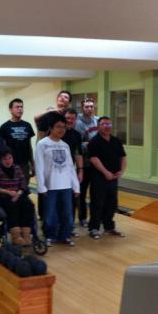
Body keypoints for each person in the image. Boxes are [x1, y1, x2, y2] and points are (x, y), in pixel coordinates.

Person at [35, 114, 80, 247]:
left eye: (63, 127)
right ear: (50, 128)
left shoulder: (65, 145)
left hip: (66, 186)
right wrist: (41, 186)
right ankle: (50, 236)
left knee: (67, 213)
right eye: (58, 127)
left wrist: (76, 186)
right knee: (50, 214)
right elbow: (39, 166)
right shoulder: (42, 144)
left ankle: (65, 236)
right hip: (50, 186)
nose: (61, 130)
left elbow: (70, 167)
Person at [87, 116, 127, 239]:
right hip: (99, 177)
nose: (107, 126)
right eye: (104, 124)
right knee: (97, 203)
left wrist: (121, 171)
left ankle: (109, 227)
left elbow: (123, 157)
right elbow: (94, 158)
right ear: (98, 126)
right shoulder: (94, 141)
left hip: (113, 178)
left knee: (111, 203)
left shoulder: (116, 141)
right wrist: (105, 172)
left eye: (109, 124)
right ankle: (94, 228)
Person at [0, 146, 35, 246]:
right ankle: (16, 236)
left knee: (28, 205)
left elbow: (23, 184)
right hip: (3, 196)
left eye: (10, 158)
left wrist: (17, 194)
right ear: (0, 160)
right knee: (12, 207)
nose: (8, 161)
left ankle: (26, 235)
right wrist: (8, 192)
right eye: (5, 159)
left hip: (18, 194)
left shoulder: (17, 168)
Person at [75, 97, 100, 227]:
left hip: (97, 164)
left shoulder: (98, 120)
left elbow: (102, 141)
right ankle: (82, 217)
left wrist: (90, 144)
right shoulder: (78, 123)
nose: (89, 109)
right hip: (83, 164)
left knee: (96, 193)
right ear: (82, 108)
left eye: (91, 106)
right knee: (82, 193)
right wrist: (93, 145)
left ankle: (96, 218)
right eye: (87, 107)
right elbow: (79, 145)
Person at [0, 98, 35, 181]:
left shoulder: (27, 125)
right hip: (10, 164)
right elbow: (2, 149)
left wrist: (32, 163)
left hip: (25, 164)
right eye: (17, 107)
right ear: (11, 110)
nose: (20, 109)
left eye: (21, 107)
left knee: (24, 189)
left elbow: (29, 146)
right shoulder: (4, 127)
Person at [62, 108, 84, 237]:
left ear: (75, 120)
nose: (69, 121)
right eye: (67, 118)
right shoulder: (56, 133)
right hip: (57, 173)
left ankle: (69, 228)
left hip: (71, 172)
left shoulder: (77, 135)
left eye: (72, 118)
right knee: (60, 201)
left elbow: (78, 153)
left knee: (71, 201)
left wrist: (80, 171)